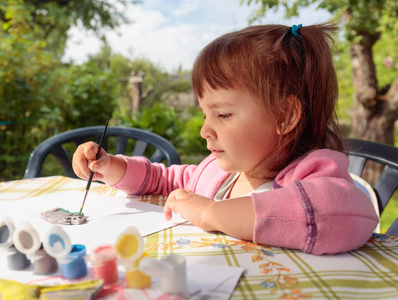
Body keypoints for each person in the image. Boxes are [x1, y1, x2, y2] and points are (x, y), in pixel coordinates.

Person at [72, 23, 379, 255]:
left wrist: (211, 213)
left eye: (223, 114)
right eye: (206, 114)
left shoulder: (310, 174)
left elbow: (347, 212)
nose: (205, 130)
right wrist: (113, 167)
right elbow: (166, 180)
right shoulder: (219, 174)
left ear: (285, 116)